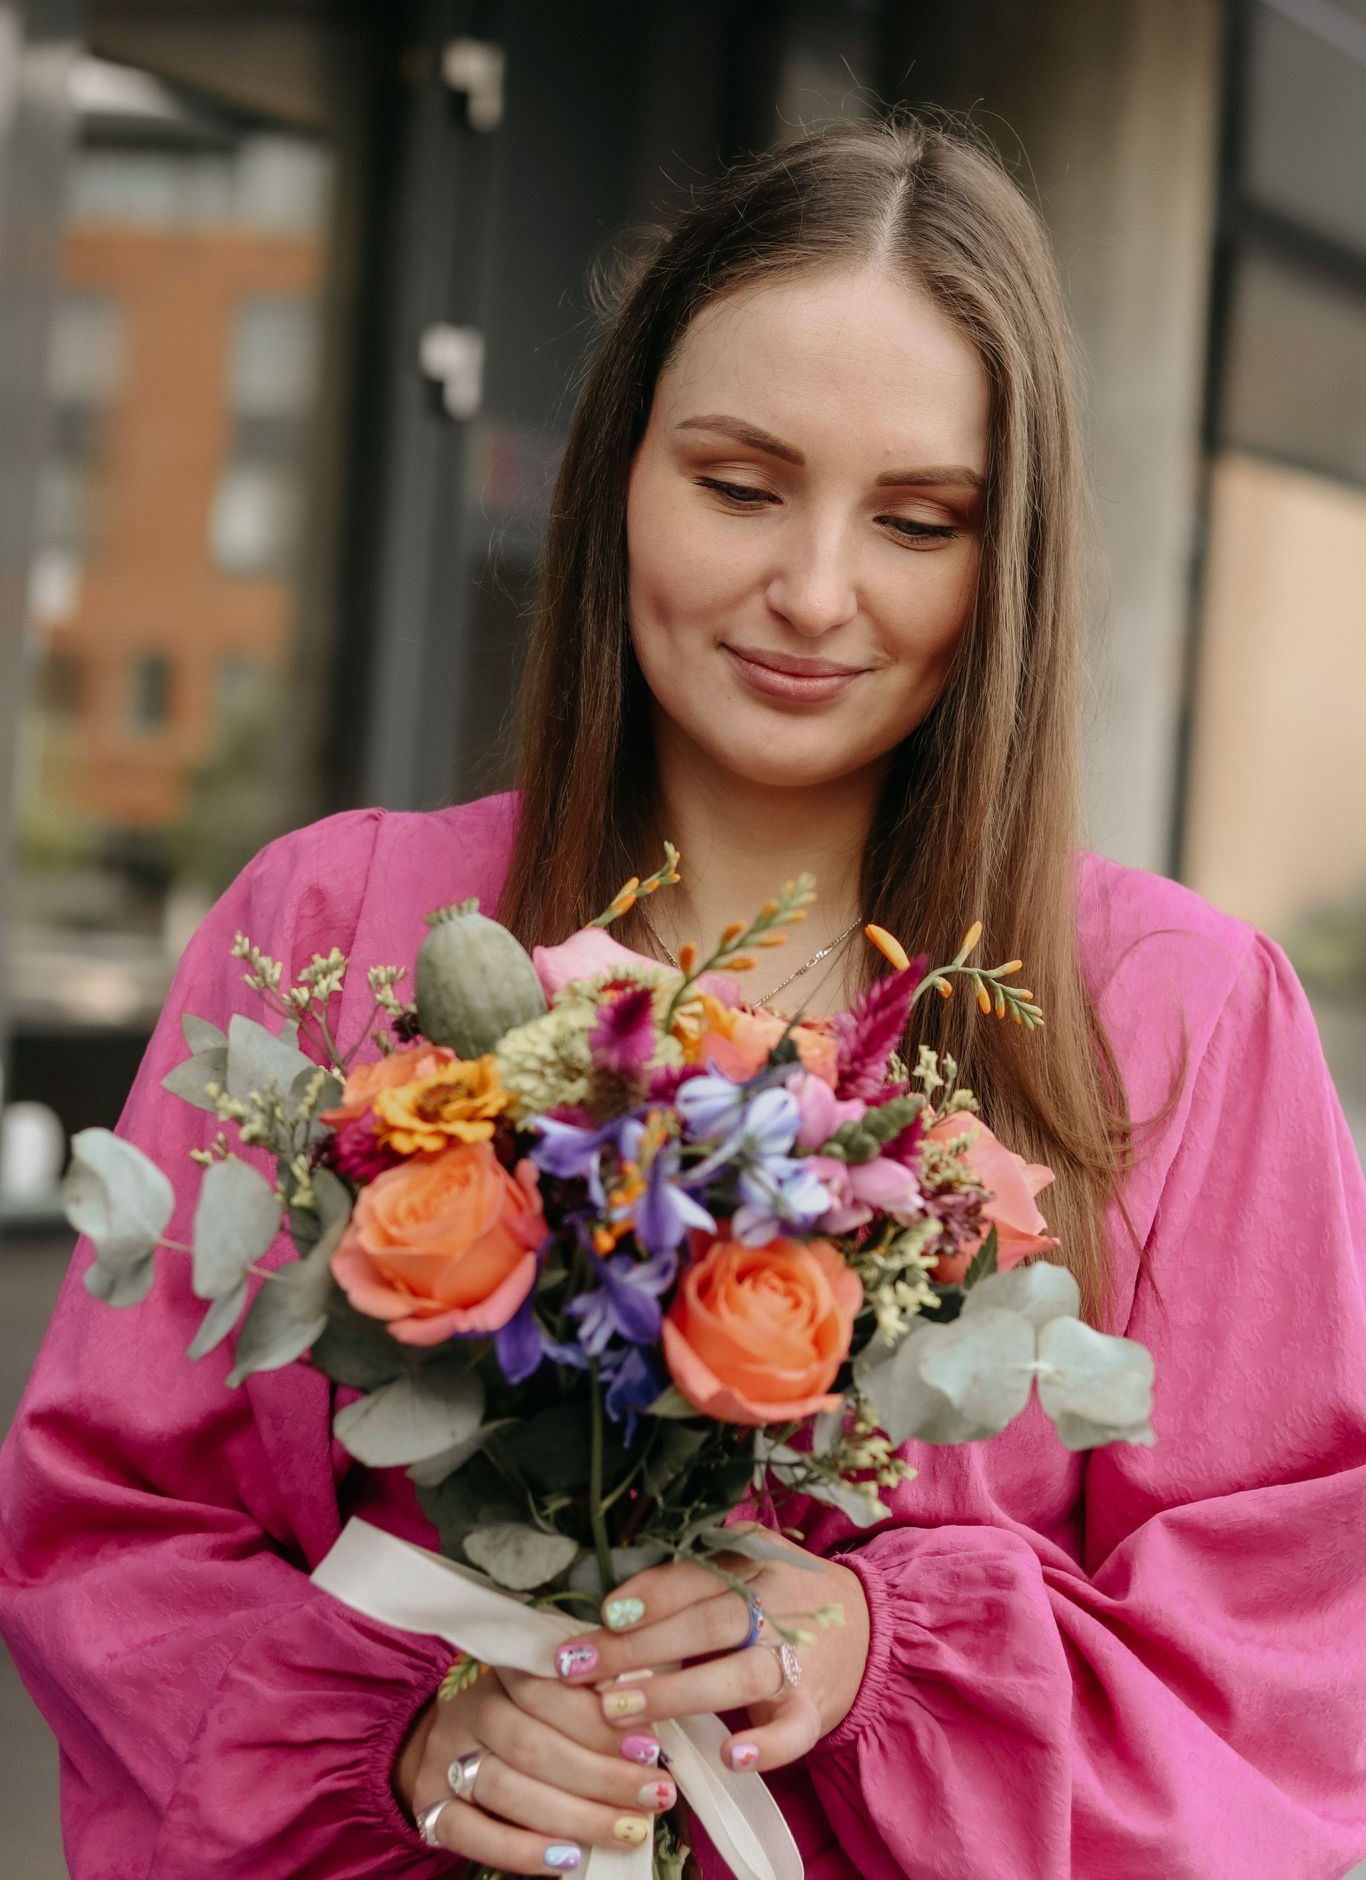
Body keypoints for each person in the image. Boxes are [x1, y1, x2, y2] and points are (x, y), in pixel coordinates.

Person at [2, 113, 1364, 1880]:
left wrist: (886, 1655)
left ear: (1002, 556)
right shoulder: (337, 920)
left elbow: (1299, 1643)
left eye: (918, 519)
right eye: (736, 484)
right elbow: (117, 1531)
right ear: (618, 470)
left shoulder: (1175, 1015)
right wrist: (417, 1747)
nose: (810, 591)